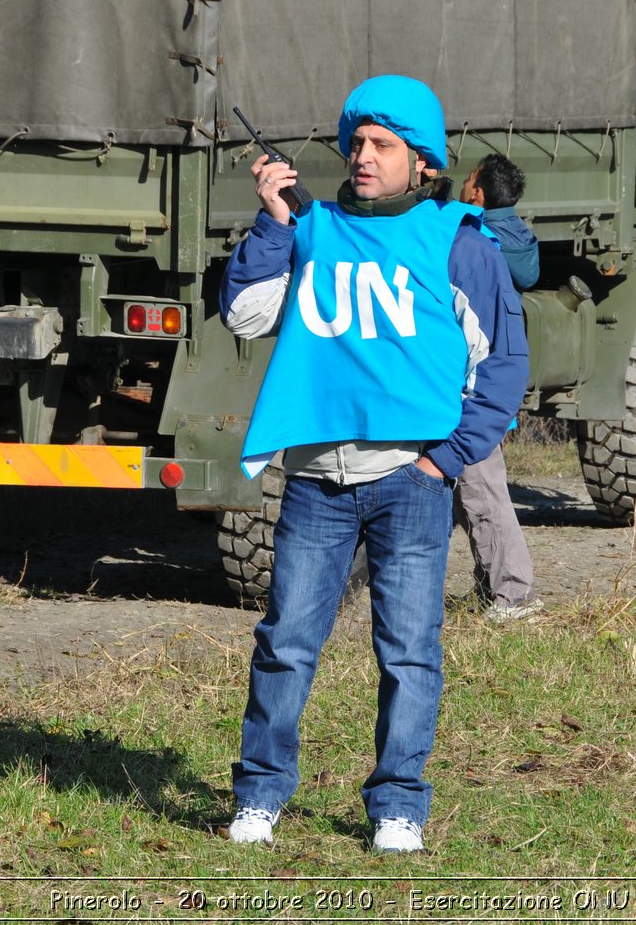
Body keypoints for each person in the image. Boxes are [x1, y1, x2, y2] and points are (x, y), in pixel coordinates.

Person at [219, 75, 528, 853]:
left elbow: (502, 369)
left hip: (411, 484)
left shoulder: (460, 243)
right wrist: (272, 220)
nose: (361, 155)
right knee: (287, 641)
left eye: (381, 144)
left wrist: (445, 463)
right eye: (355, 141)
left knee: (410, 651)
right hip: (318, 483)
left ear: (422, 162)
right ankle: (260, 794)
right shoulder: (312, 229)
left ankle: (398, 805)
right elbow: (245, 312)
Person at [454, 155, 543, 620]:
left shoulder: (475, 237)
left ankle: (513, 593)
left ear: (479, 194)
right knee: (470, 490)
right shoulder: (518, 237)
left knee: (481, 486)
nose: (462, 187)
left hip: (475, 381)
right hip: (495, 375)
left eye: (467, 181)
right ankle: (493, 587)